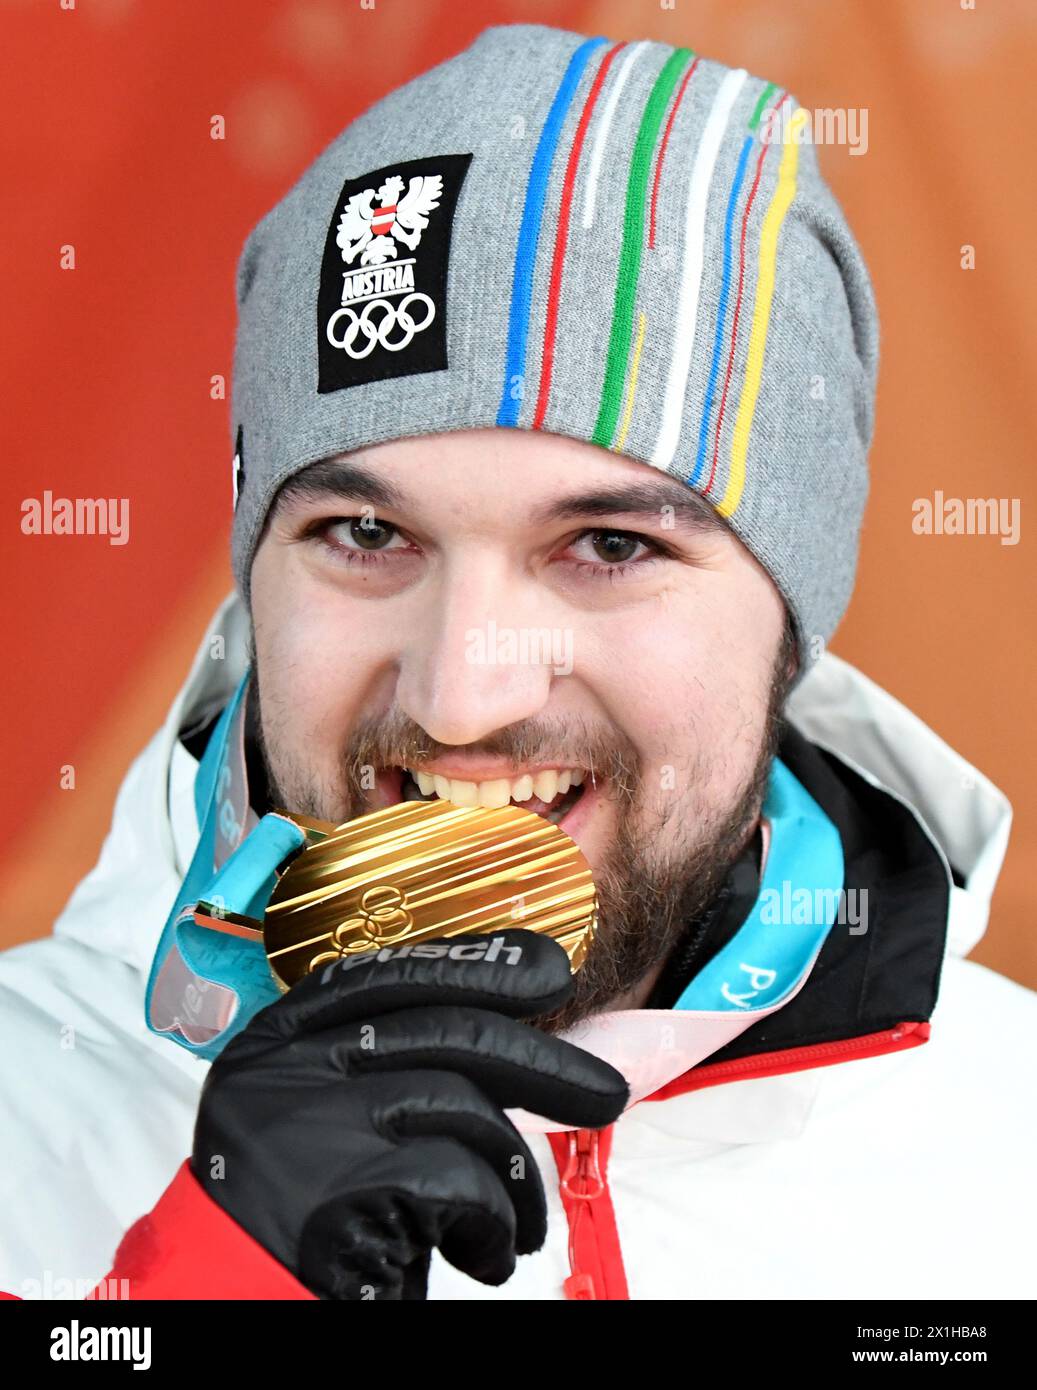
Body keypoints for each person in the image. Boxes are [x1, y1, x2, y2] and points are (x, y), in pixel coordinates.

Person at [1, 21, 1033, 1303]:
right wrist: (209, 1279)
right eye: (365, 534)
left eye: (606, 543)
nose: (462, 694)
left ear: (792, 610)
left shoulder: (1009, 1153)